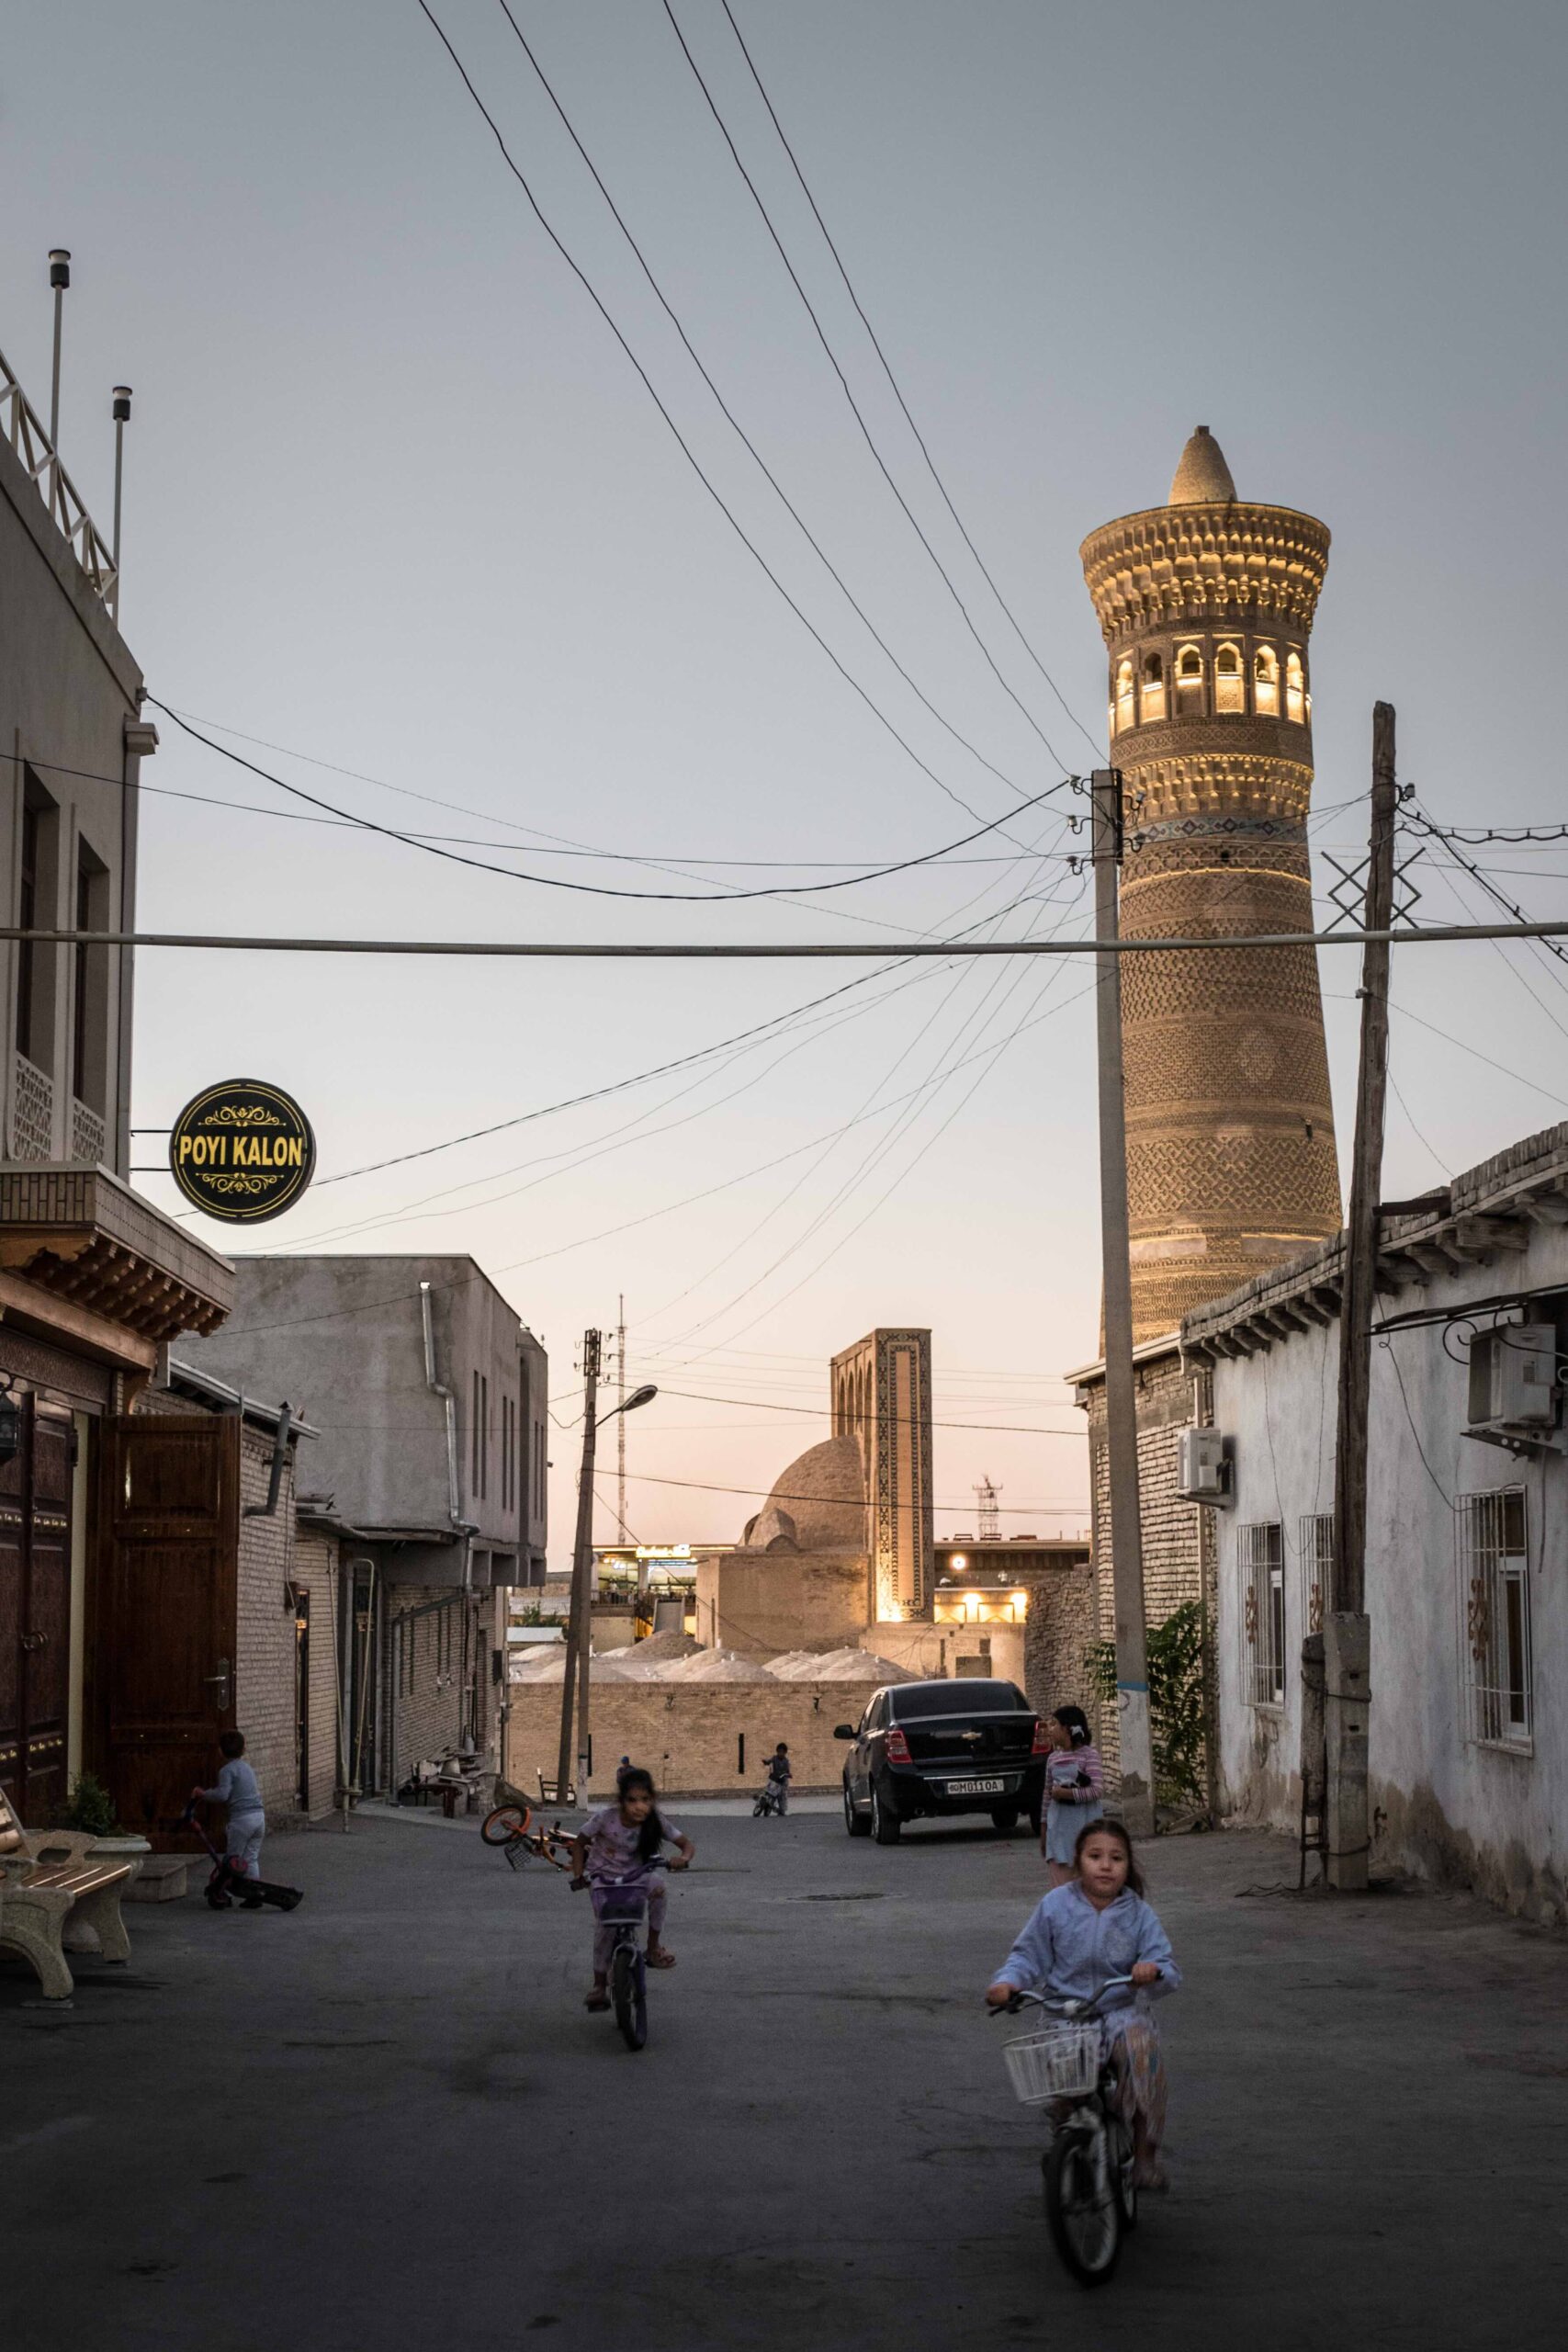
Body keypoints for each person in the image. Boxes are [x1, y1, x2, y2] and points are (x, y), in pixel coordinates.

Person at [986, 1817, 1179, 2189]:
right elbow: (1026, 1956)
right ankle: (1067, 2136)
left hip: (1120, 2013)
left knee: (1142, 2057)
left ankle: (1144, 2157)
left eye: (1116, 1858)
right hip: (1065, 2012)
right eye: (1095, 1856)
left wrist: (1151, 1969)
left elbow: (1166, 1966)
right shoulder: (1054, 1906)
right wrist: (1007, 1983)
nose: (1106, 1865)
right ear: (1078, 1861)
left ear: (1128, 1866)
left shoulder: (1138, 1914)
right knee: (1063, 2075)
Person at [569, 1766, 694, 2012]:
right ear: (621, 1801)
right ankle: (599, 1985)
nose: (639, 1807)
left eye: (645, 1800)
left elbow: (686, 1844)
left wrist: (683, 1858)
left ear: (652, 1800)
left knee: (659, 1886)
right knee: (605, 1928)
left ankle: (653, 1947)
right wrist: (578, 1874)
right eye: (632, 1800)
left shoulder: (655, 1820)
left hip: (636, 1878)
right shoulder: (605, 1818)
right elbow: (579, 1843)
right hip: (603, 1880)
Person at [193, 1730, 266, 1908]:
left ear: (220, 1751)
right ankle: (254, 1894)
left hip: (242, 1820)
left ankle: (222, 1893)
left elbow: (223, 1795)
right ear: (244, 1749)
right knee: (251, 1857)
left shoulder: (227, 1770)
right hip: (259, 1817)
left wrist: (203, 1794)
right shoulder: (247, 1768)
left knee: (232, 1860)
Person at [1041, 1704, 1104, 1887]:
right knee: (1061, 1886)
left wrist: (1067, 1794)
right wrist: (1044, 1829)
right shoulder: (1052, 1759)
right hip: (1058, 1830)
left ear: (1067, 1728)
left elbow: (1097, 1790)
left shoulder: (1089, 1756)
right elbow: (1047, 1795)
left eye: (1054, 1724)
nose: (1050, 1729)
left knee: (1087, 1882)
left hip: (1085, 1828)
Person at [763, 1742, 792, 1816]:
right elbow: (769, 1761)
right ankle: (762, 1800)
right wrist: (766, 1762)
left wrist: (788, 1774)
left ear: (785, 1753)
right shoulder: (774, 1758)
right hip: (775, 1779)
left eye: (782, 1752)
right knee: (769, 1791)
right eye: (779, 1752)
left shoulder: (786, 1761)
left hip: (783, 1781)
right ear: (777, 1751)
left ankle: (782, 1809)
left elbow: (788, 1771)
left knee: (782, 1797)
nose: (781, 1753)